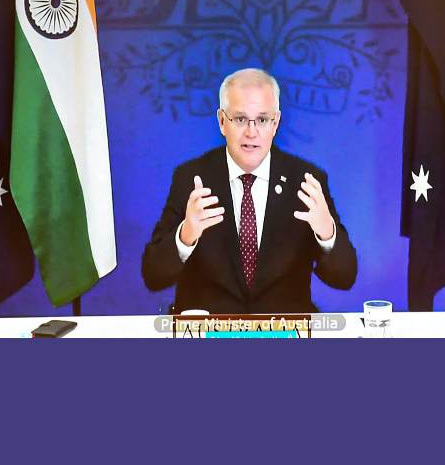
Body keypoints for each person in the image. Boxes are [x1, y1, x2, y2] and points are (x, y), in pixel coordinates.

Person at [142, 68, 357, 313]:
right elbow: (153, 276)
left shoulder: (306, 182)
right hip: (210, 333)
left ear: (275, 123)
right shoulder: (191, 179)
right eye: (240, 119)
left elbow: (345, 278)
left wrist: (327, 233)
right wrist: (185, 236)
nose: (251, 132)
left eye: (262, 120)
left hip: (284, 333)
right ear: (222, 121)